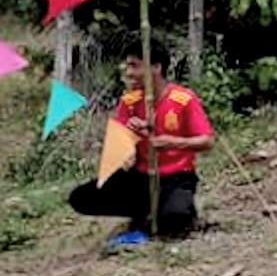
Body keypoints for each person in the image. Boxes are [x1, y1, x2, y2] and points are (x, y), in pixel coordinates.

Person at [68, 39, 214, 247]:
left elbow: (207, 141)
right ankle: (144, 213)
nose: (128, 72)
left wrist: (172, 142)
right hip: (140, 176)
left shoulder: (183, 98)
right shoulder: (129, 100)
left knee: (175, 220)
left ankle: (171, 213)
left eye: (134, 66)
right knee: (81, 198)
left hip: (176, 178)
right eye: (127, 65)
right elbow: (119, 145)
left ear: (156, 67)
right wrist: (129, 140)